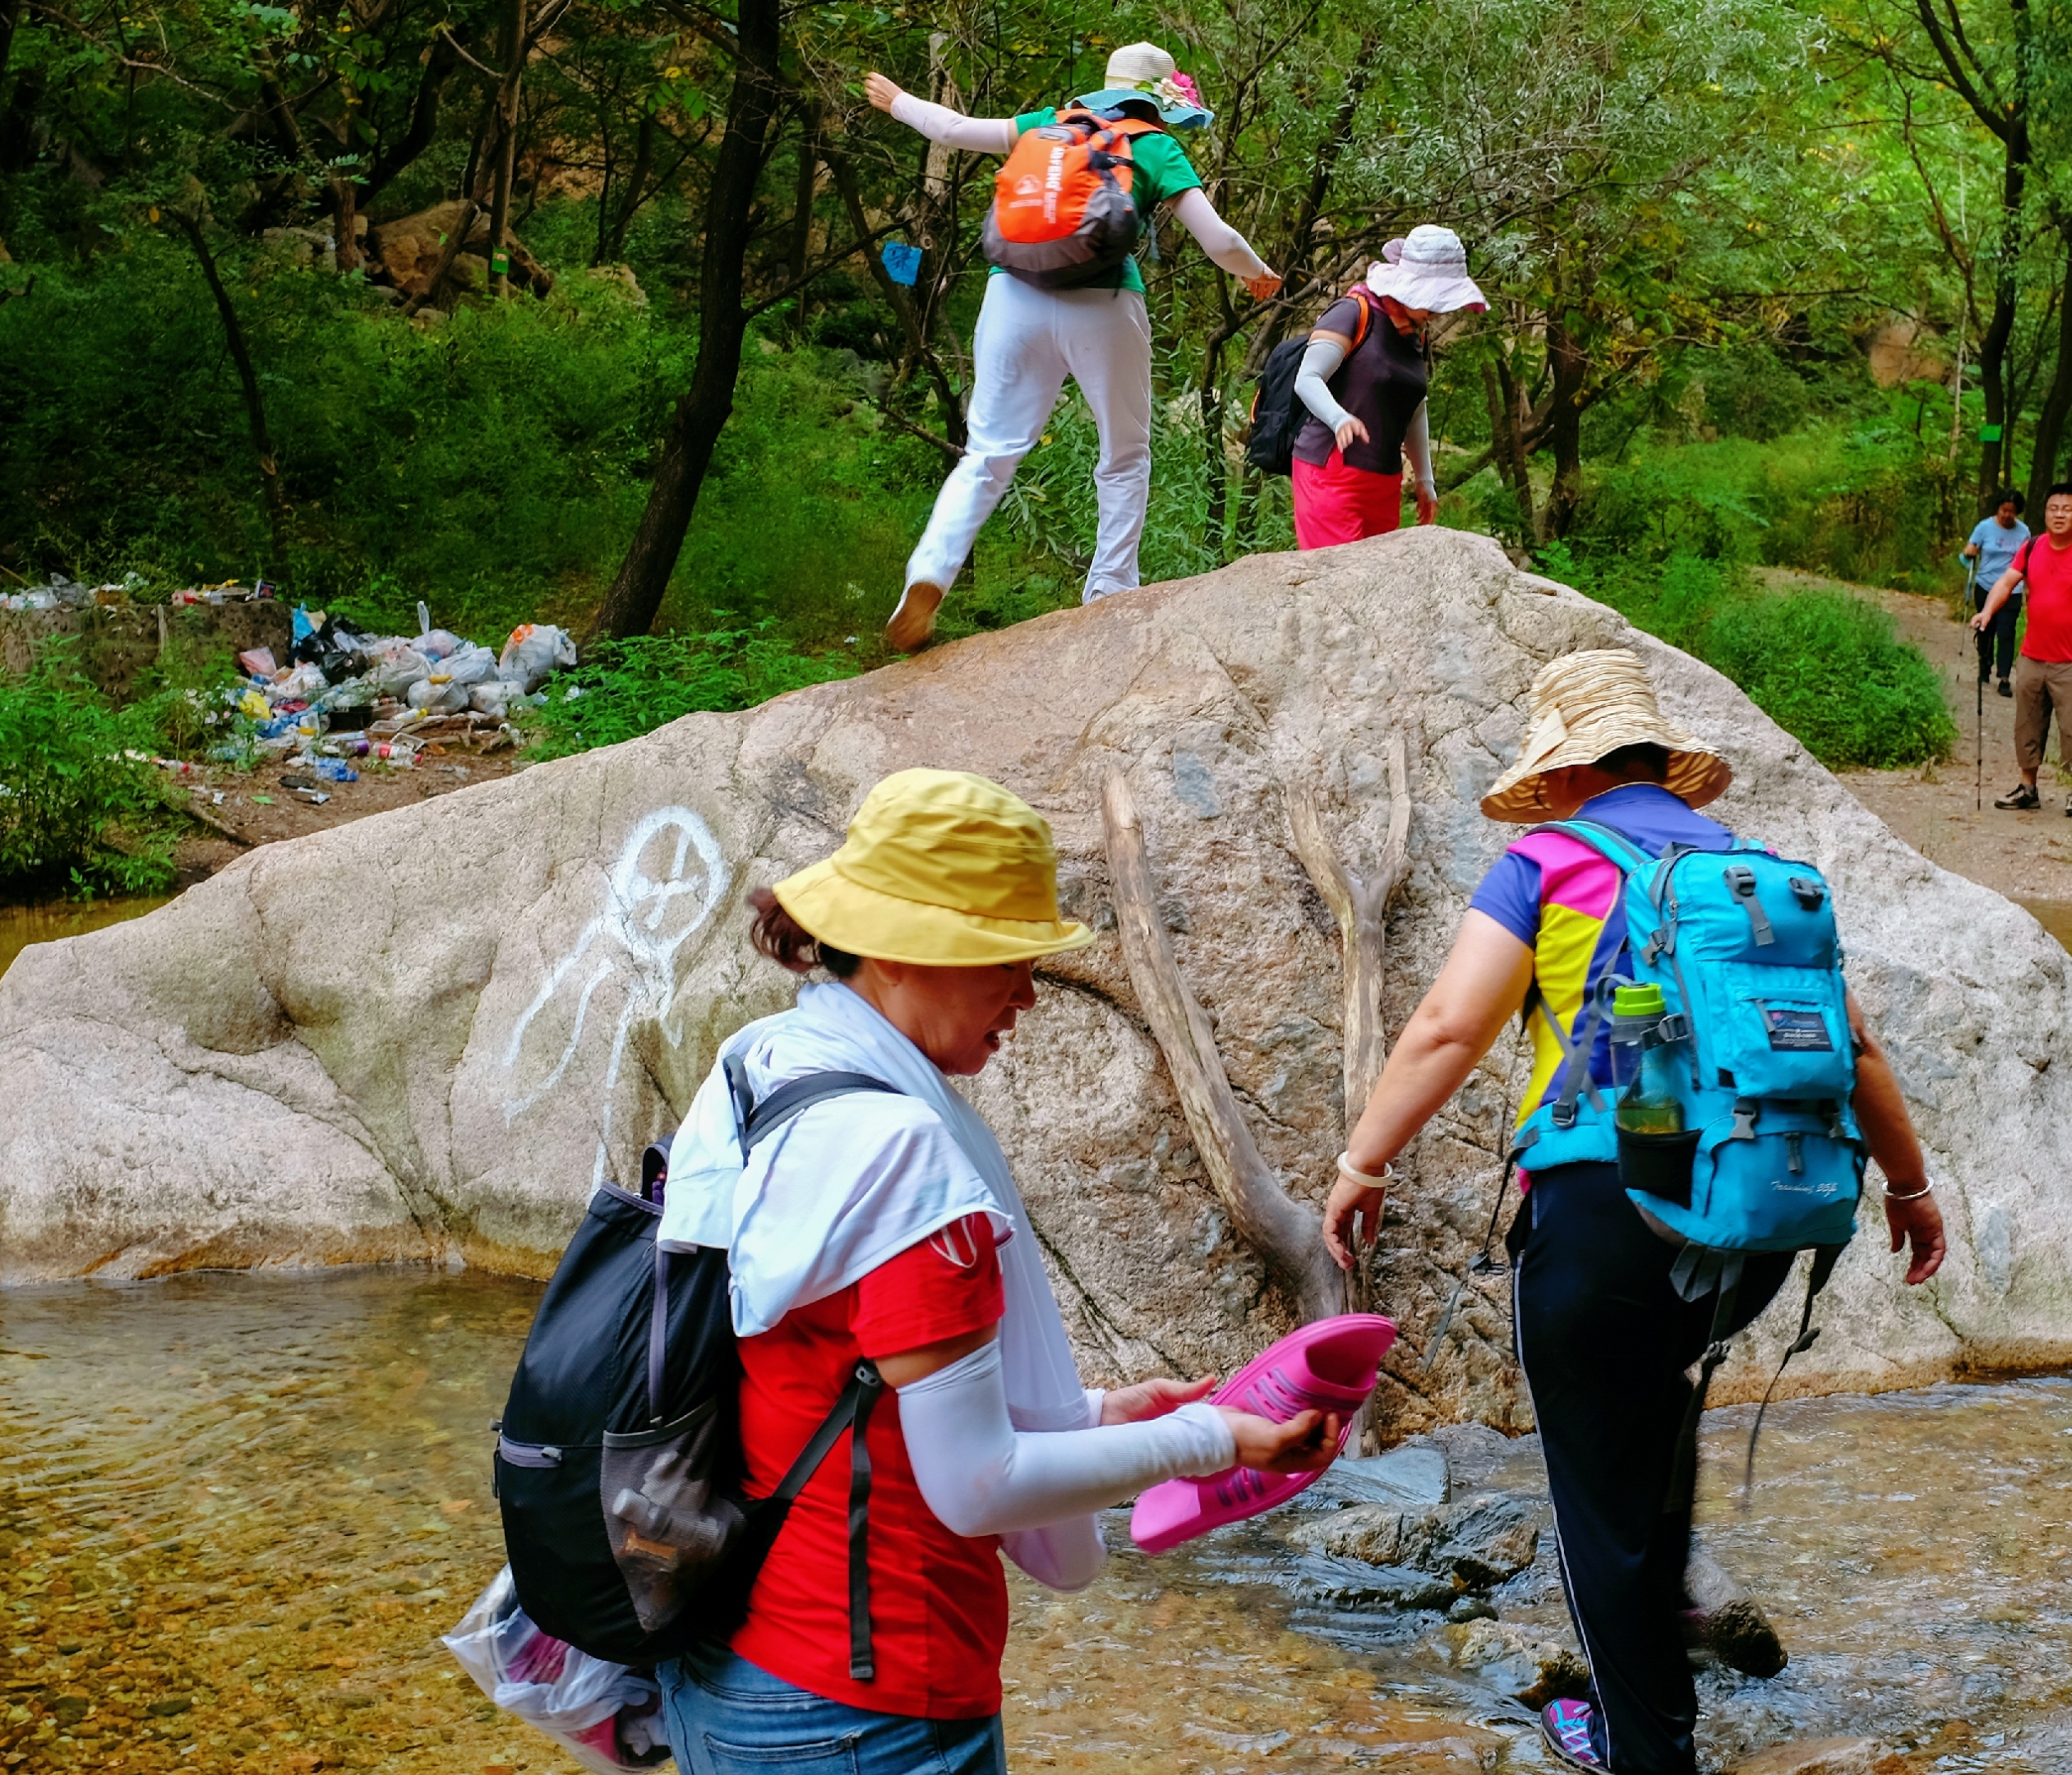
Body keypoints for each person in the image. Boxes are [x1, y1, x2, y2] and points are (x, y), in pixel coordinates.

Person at [1314, 652, 1949, 1775]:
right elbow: (1854, 1046)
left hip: (1608, 1215)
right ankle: (1655, 1699)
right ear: (1664, 767)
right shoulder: (1752, 874)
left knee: (1601, 1497)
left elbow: (1449, 1030)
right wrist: (1906, 1186)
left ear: (1560, 773)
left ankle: (1642, 1751)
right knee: (1650, 1452)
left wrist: (1363, 1162)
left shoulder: (1545, 861)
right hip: (1751, 1224)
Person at [653, 768, 1340, 1773]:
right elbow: (979, 1486)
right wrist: (1212, 1439)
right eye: (1001, 959)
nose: (1027, 991)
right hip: (863, 1706)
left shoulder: (768, 1065)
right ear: (894, 950)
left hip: (726, 1669)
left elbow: (844, 1376)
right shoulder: (902, 1157)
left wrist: (1095, 1413)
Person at [864, 45, 1281, 651]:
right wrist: (1257, 273)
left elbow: (951, 129)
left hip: (1012, 296)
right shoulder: (1154, 144)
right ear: (1161, 102)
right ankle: (1110, 589)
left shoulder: (1048, 126)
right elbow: (1218, 238)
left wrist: (898, 101)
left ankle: (928, 574)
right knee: (1125, 450)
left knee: (987, 452)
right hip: (1105, 304)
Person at [1289, 226, 1488, 550]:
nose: (1438, 314)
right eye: (1435, 302)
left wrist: (1425, 479)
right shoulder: (1353, 312)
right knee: (1341, 583)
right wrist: (1339, 419)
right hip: (1331, 474)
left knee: (1378, 586)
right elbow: (1307, 379)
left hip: (1384, 479)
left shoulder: (1413, 331)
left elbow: (1414, 405)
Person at [1970, 480, 2072, 818]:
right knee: (2027, 724)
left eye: (2067, 509)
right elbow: (2006, 581)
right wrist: (1987, 612)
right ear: (2045, 513)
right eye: (2053, 509)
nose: (2059, 515)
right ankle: (2028, 788)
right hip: (2032, 654)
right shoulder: (2031, 547)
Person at [1961, 487, 2031, 696]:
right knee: (1985, 629)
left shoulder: (2024, 532)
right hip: (1986, 584)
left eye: (2012, 511)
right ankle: (1985, 663)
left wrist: (2028, 586)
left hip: (2013, 588)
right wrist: (1970, 551)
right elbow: (1970, 549)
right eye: (2004, 510)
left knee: (2007, 632)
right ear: (1998, 509)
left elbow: (2027, 560)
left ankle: (2004, 677)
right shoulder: (1984, 527)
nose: (2007, 515)